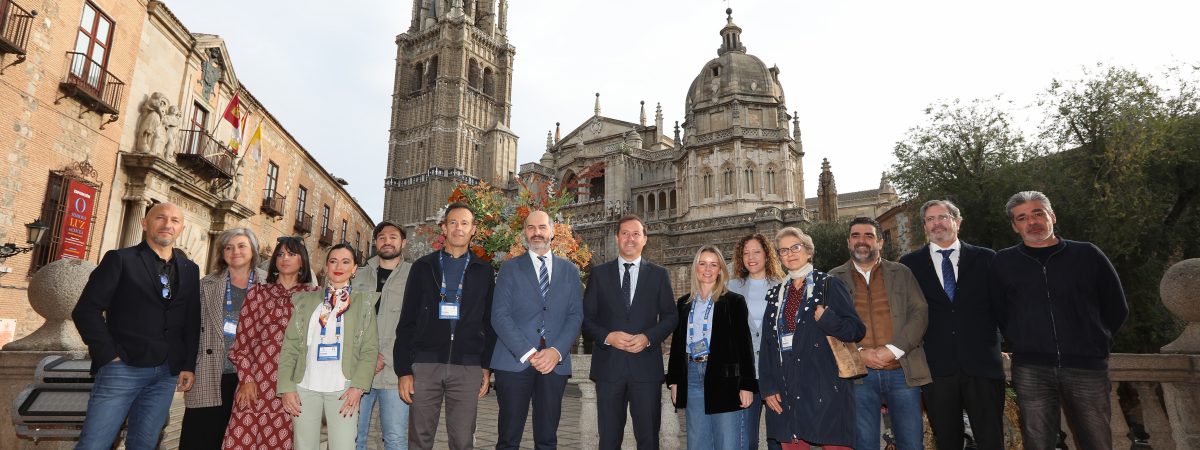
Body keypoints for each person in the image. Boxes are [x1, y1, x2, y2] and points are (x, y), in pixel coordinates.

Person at [991, 191, 1128, 450]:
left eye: (1038, 213)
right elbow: (997, 310)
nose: (1032, 222)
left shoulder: (1087, 254)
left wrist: (1096, 341)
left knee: (1097, 440)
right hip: (1031, 369)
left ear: (1052, 216)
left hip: (1086, 366)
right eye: (1022, 218)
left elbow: (1116, 306)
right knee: (1038, 441)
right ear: (1014, 226)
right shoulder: (1003, 262)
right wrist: (1018, 341)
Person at [72, 202, 201, 450]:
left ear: (181, 228)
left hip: (166, 373)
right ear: (144, 223)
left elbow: (191, 320)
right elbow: (86, 310)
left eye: (175, 220)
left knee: (145, 444)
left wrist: (187, 364)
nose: (167, 224)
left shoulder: (190, 269)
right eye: (160, 218)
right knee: (94, 444)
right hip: (122, 368)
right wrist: (109, 355)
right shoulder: (120, 259)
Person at [898, 200, 1004, 450]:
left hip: (983, 366)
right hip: (936, 368)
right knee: (946, 440)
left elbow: (1003, 306)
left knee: (991, 439)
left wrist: (1005, 343)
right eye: (930, 219)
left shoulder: (987, 258)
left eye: (943, 217)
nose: (937, 223)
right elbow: (905, 312)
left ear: (957, 222)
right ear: (924, 226)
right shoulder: (909, 264)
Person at [394, 203, 496, 450]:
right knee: (420, 438)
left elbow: (489, 321)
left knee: (462, 440)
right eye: (453, 222)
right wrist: (404, 370)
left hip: (467, 367)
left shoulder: (484, 270)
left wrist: (485, 366)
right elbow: (407, 320)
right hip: (425, 365)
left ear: (473, 230)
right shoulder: (423, 267)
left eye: (464, 223)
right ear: (443, 227)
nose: (458, 228)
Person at [828, 217, 930, 450]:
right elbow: (828, 325)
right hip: (859, 374)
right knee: (865, 443)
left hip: (902, 371)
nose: (861, 241)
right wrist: (860, 353)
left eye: (868, 236)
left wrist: (892, 350)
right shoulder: (833, 278)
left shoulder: (902, 272)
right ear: (848, 242)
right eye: (855, 236)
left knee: (912, 442)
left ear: (880, 243)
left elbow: (919, 312)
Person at [759, 227, 865, 449]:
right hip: (786, 383)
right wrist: (768, 387)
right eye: (783, 250)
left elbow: (856, 330)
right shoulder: (776, 294)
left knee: (835, 444)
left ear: (808, 251)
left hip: (824, 382)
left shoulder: (828, 284)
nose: (790, 253)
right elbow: (767, 345)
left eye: (795, 247)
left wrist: (829, 320)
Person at [582, 214, 678, 450]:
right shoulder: (599, 274)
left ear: (645, 239)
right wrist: (608, 337)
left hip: (646, 371)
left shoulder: (658, 275)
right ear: (617, 238)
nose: (630, 238)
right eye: (625, 233)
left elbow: (671, 317)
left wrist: (648, 338)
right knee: (608, 440)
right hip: (609, 370)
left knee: (648, 440)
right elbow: (585, 319)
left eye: (636, 234)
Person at [490, 210, 584, 450]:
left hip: (554, 364)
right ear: (525, 233)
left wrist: (556, 351)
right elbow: (499, 316)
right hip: (514, 362)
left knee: (547, 438)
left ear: (552, 232)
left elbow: (575, 316)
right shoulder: (509, 269)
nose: (537, 233)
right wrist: (528, 353)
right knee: (508, 438)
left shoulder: (570, 271)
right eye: (531, 228)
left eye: (542, 227)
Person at [278, 243, 380, 450]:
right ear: (325, 267)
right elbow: (290, 346)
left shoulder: (364, 304)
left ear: (354, 269)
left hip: (344, 390)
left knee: (343, 446)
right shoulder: (305, 301)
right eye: (333, 261)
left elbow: (370, 350)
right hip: (305, 387)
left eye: (345, 261)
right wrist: (287, 387)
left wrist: (358, 388)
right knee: (304, 446)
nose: (338, 266)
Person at [223, 236, 317, 449]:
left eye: (292, 254)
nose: (285, 259)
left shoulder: (313, 297)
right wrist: (246, 380)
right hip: (255, 383)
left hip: (294, 384)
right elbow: (241, 345)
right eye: (281, 254)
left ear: (302, 260)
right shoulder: (258, 293)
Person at [181, 228, 265, 449]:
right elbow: (190, 327)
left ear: (253, 251)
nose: (235, 251)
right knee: (200, 438)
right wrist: (187, 365)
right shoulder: (206, 284)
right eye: (228, 247)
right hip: (210, 371)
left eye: (241, 246)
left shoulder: (269, 285)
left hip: (254, 376)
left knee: (243, 439)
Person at [666, 245, 757, 449]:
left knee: (728, 442)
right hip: (691, 378)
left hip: (724, 379)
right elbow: (678, 344)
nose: (708, 269)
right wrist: (674, 381)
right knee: (698, 442)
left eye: (713, 265)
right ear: (695, 268)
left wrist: (747, 385)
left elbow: (745, 345)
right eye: (703, 264)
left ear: (720, 270)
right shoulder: (683, 304)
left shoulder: (734, 302)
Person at [351, 222, 413, 450]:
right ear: (375, 242)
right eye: (382, 237)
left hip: (395, 372)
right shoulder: (357, 275)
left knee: (395, 439)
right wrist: (368, 355)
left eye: (393, 237)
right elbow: (349, 321)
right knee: (354, 437)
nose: (387, 241)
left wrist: (384, 356)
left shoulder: (415, 276)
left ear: (403, 243)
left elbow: (415, 324)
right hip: (358, 370)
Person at [725, 233, 785, 450]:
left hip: (776, 374)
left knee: (778, 439)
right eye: (746, 253)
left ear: (767, 255)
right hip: (745, 376)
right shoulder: (730, 287)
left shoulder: (783, 286)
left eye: (756, 251)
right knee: (746, 440)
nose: (751, 257)